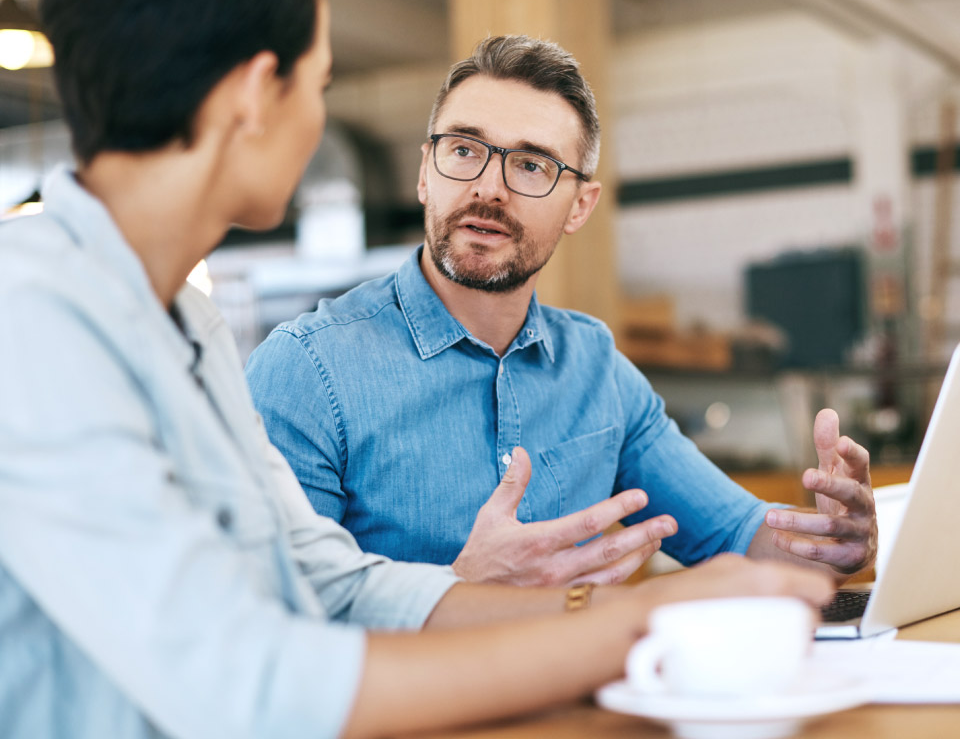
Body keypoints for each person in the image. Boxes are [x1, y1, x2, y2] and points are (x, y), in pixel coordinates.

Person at [0, 0, 836, 737]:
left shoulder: (187, 320)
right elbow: (247, 679)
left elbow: (332, 582)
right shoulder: (28, 317)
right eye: (320, 84)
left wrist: (623, 606)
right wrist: (641, 623)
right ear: (257, 95)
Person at [245, 34, 878, 588]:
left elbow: (739, 536)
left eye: (530, 165)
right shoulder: (306, 371)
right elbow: (270, 626)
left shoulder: (596, 367)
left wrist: (830, 545)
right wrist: (460, 587)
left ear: (580, 206)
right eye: (464, 150)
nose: (488, 187)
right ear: (424, 174)